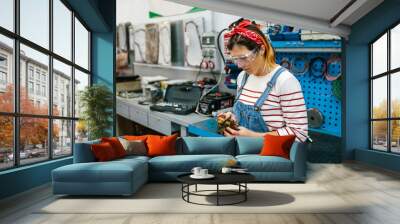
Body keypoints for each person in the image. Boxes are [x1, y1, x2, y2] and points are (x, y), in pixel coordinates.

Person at [221, 18, 309, 142]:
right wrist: (232, 119)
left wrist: (253, 137)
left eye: (243, 58)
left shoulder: (285, 81)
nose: (239, 65)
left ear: (261, 49)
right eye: (235, 59)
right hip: (243, 153)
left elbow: (299, 134)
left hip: (269, 158)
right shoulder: (243, 77)